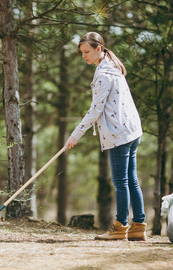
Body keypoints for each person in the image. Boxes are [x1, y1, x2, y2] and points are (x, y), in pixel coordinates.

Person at [65, 32, 146, 241]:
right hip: (132, 130)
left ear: (99, 49)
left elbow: (95, 110)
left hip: (120, 133)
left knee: (121, 182)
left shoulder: (103, 74)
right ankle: (139, 226)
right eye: (81, 52)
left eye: (87, 51)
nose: (84, 56)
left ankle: (121, 228)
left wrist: (75, 135)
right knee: (131, 180)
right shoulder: (113, 66)